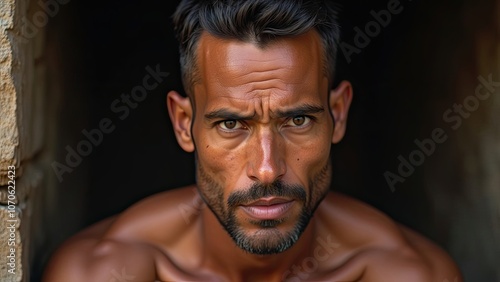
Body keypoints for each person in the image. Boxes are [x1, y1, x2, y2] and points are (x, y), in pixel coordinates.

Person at [43, 0, 463, 281]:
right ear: (183, 123)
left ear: (337, 115)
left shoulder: (406, 273)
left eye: (297, 120)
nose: (267, 168)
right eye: (231, 125)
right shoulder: (100, 272)